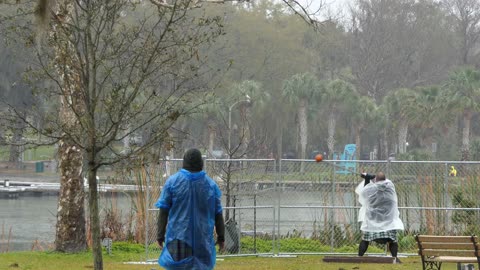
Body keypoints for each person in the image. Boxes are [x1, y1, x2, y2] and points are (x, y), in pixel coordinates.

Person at [155, 148, 225, 270]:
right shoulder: (210, 185)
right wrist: (221, 237)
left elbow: (163, 211)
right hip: (202, 240)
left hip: (178, 240)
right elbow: (218, 213)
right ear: (201, 162)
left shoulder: (172, 182)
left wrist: (160, 235)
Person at [355, 172, 404, 262]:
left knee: (365, 240)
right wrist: (371, 177)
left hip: (372, 221)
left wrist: (367, 179)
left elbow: (364, 195)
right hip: (389, 221)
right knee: (393, 240)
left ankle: (360, 257)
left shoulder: (371, 188)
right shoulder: (390, 186)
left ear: (376, 180)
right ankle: (395, 258)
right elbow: (379, 182)